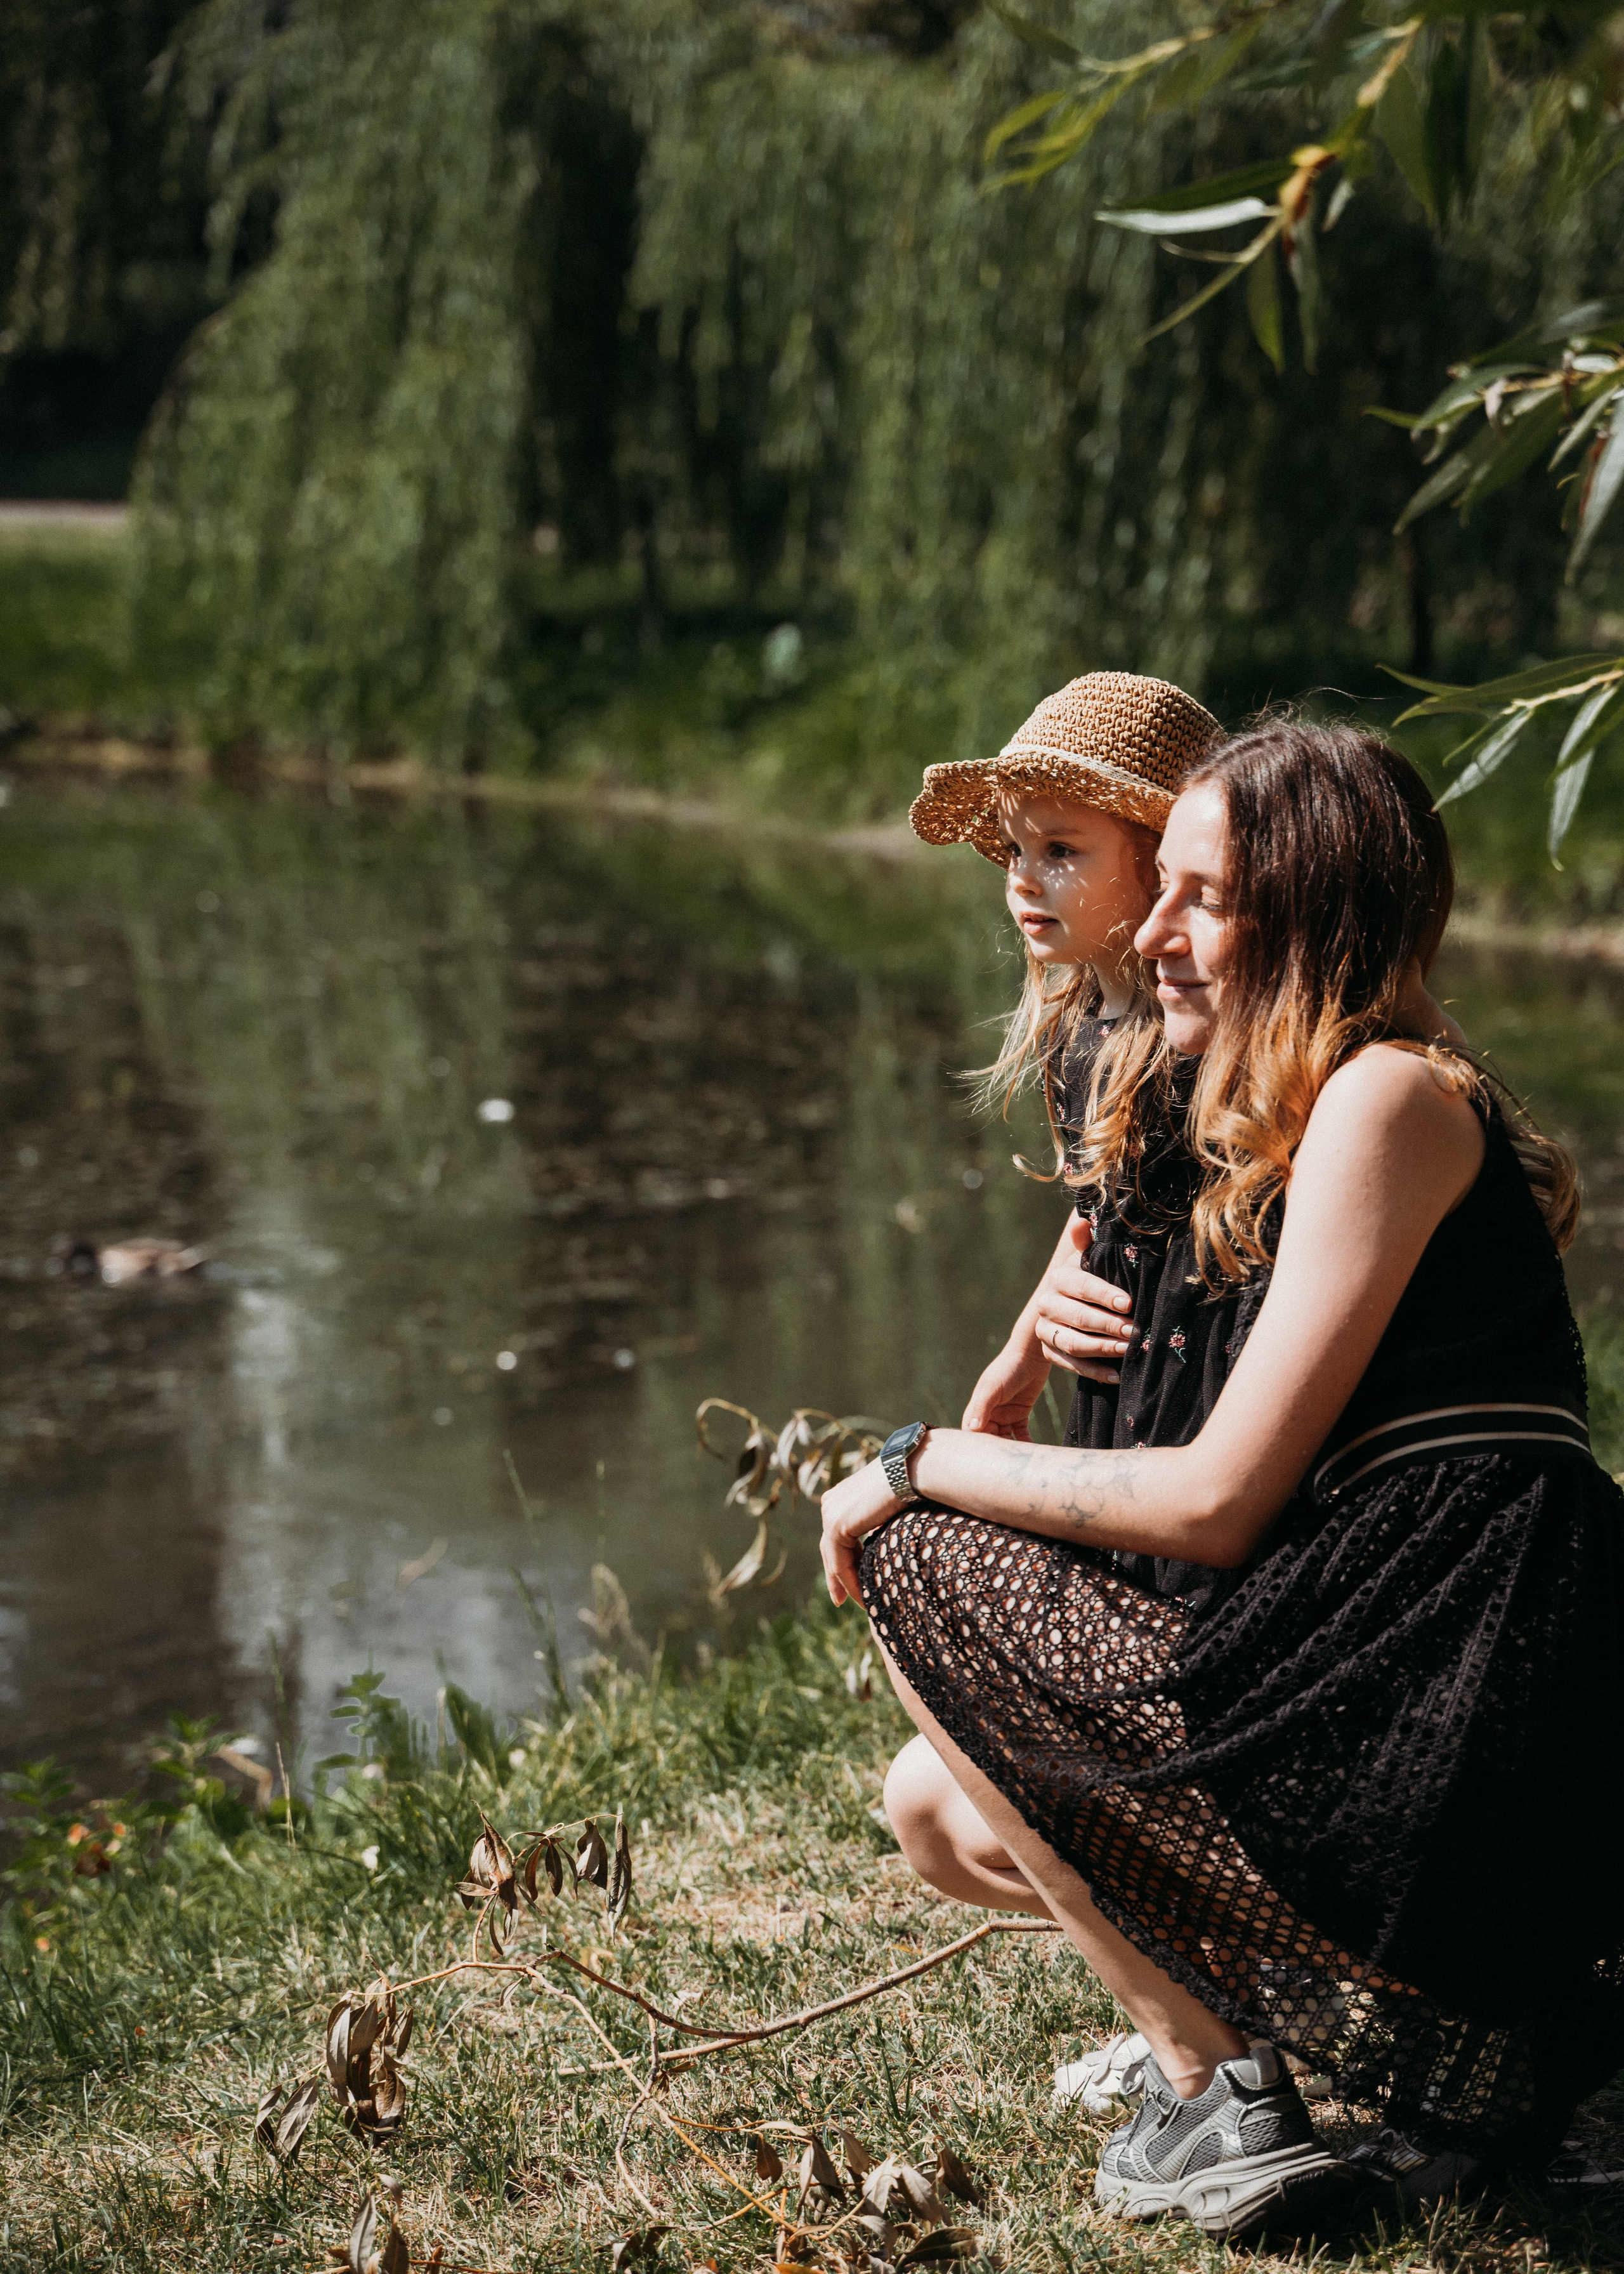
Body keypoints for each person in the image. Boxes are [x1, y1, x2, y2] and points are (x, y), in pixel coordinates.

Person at [820, 722, 1622, 2240]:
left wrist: (917, 1458)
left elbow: (1212, 1501)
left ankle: (1211, 2097)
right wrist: (1022, 1346)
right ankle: (1322, 2039)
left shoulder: (1389, 1095)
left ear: (1312, 919)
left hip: (1450, 1755)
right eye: (1161, 890)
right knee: (936, 1804)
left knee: (920, 1548)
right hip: (1398, 1724)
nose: (1156, 932)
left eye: (1200, 897)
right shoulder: (1315, 1111)